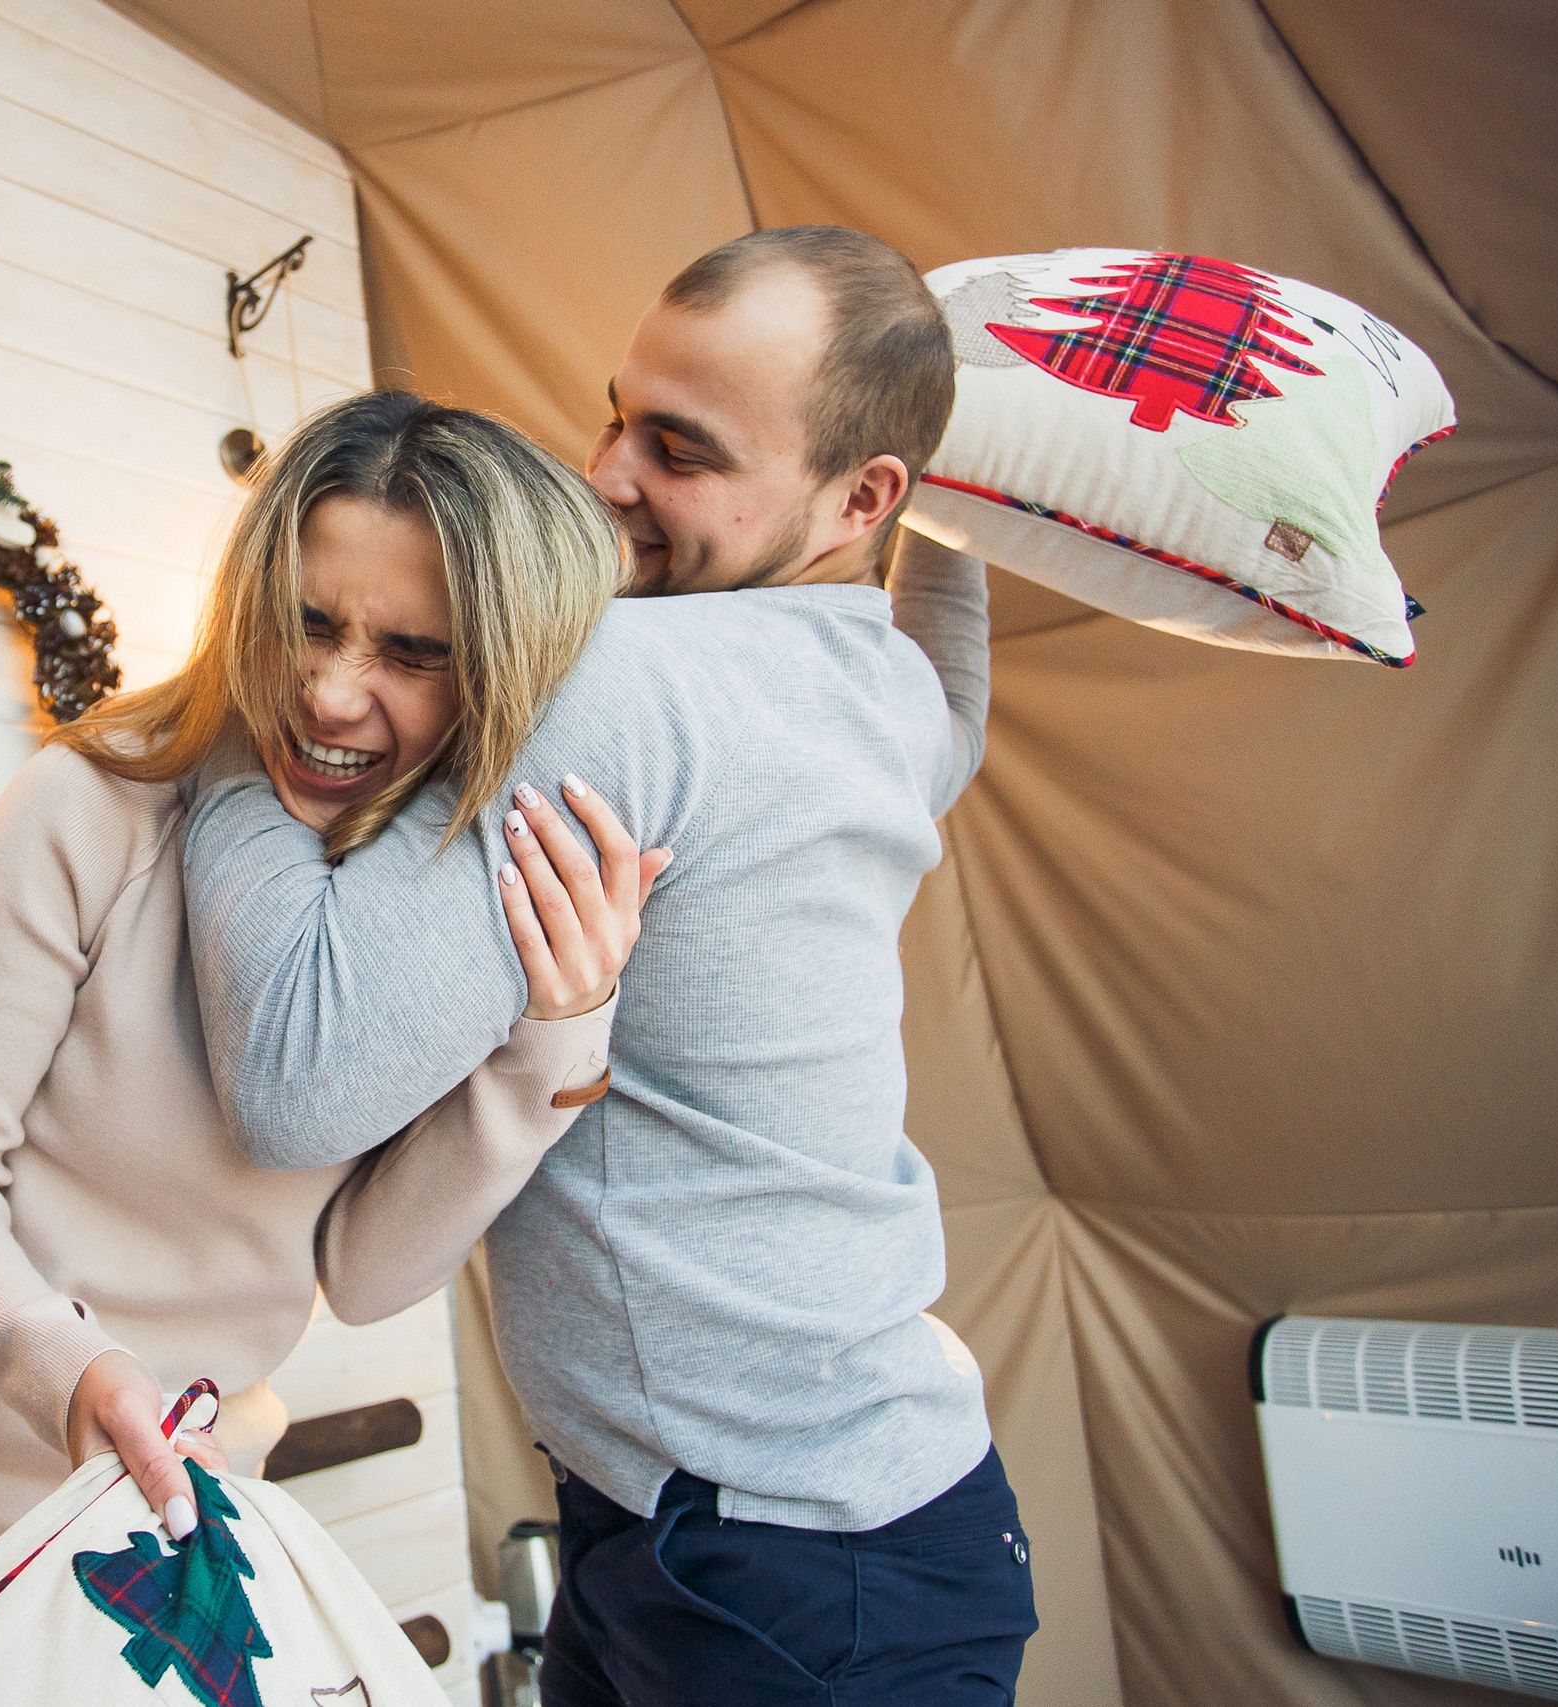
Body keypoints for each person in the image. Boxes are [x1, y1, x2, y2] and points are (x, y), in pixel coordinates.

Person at [181, 225, 1033, 1704]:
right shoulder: (886, 688)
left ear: (863, 495)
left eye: (681, 450)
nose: (605, 476)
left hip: (781, 1581)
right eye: (618, 415)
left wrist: (233, 723)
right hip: (815, 1528)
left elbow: (297, 1080)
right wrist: (959, 522)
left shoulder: (633, 685)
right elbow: (956, 702)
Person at [0, 392, 672, 1707]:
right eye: (310, 619)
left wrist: (553, 1041)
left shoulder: (423, 905)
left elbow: (365, 1274)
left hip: (181, 1564)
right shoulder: (90, 806)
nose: (330, 689)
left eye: (411, 650)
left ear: (501, 669)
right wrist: (68, 1367)